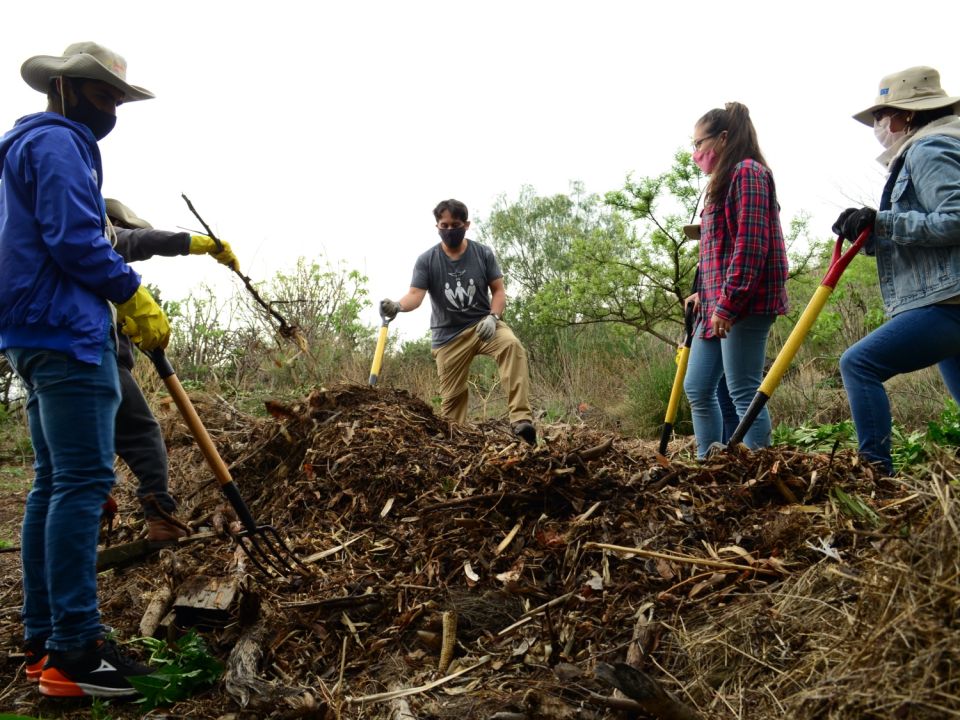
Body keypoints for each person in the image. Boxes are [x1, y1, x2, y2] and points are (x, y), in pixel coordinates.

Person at [0, 41, 165, 698]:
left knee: (52, 484)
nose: (112, 110)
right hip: (67, 331)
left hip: (30, 331)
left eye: (118, 99)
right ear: (64, 89)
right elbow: (76, 239)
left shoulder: (20, 149)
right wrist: (130, 293)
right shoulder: (60, 142)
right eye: (103, 96)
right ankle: (76, 651)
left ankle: (44, 642)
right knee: (83, 484)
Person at [834, 67, 960, 475]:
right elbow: (926, 234)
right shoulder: (932, 147)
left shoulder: (930, 149)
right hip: (947, 294)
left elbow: (956, 219)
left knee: (859, 364)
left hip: (950, 301)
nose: (877, 125)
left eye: (880, 115)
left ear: (905, 115)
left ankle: (875, 475)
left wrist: (884, 222)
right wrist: (867, 233)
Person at [106, 198, 238, 541]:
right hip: (96, 359)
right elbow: (142, 241)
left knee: (82, 450)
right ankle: (161, 518)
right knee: (143, 434)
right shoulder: (101, 239)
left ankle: (87, 517)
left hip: (48, 357)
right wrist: (195, 243)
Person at [380, 199, 536, 444]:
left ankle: (521, 420)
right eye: (444, 225)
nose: (450, 230)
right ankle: (459, 445)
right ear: (437, 226)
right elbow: (415, 295)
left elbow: (498, 291)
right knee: (452, 410)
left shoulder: (482, 253)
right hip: (448, 337)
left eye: (455, 224)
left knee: (512, 345)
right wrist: (398, 306)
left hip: (484, 326)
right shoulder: (427, 260)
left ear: (467, 224)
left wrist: (494, 318)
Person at [682, 103, 789, 458]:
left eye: (700, 143)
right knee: (697, 386)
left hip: (743, 303)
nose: (696, 152)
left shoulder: (748, 173)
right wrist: (702, 293)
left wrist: (728, 304)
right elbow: (718, 249)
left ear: (724, 138)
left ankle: (760, 468)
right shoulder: (723, 180)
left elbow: (750, 246)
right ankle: (707, 462)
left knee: (743, 389)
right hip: (713, 304)